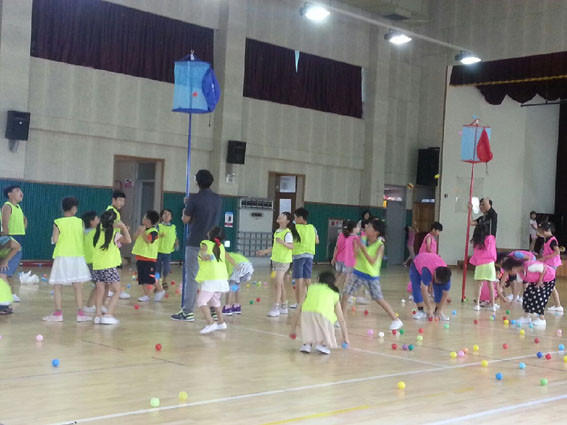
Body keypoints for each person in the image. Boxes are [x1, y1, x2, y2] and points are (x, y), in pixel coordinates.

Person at [171, 169, 222, 322]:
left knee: (192, 277)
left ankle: (187, 311)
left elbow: (185, 219)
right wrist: (190, 204)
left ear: (197, 182)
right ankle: (214, 310)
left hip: (195, 242)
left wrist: (186, 208)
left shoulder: (194, 198)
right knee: (211, 277)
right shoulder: (218, 199)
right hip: (213, 243)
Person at [341, 219, 403, 331]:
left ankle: (396, 320)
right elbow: (355, 255)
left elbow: (372, 262)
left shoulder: (380, 246)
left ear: (376, 232)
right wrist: (356, 246)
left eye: (369, 227)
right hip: (358, 272)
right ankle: (341, 320)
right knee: (345, 294)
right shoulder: (363, 239)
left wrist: (363, 248)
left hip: (371, 276)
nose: (366, 228)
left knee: (379, 299)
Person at [43, 197, 93, 322]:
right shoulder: (80, 222)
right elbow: (83, 237)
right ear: (74, 208)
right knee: (77, 286)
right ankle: (80, 314)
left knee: (57, 285)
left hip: (62, 256)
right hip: (77, 256)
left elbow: (55, 240)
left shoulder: (58, 222)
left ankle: (58, 314)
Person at [290, 271, 349, 355]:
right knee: (325, 323)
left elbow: (298, 309)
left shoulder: (309, 288)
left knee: (309, 324)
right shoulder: (335, 294)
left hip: (307, 313)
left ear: (318, 280)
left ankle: (307, 344)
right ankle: (322, 344)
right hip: (324, 316)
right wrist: (345, 338)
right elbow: (341, 319)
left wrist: (293, 330)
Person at [92, 210, 131, 325]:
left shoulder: (99, 230)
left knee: (100, 291)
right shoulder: (115, 234)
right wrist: (123, 228)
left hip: (97, 265)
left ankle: (98, 316)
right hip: (108, 266)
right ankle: (108, 315)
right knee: (117, 290)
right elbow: (128, 240)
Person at [257, 212, 299, 317]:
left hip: (283, 261)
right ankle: (284, 306)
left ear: (287, 221)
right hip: (275, 260)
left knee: (278, 283)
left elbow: (291, 246)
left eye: (283, 216)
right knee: (279, 284)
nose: (280, 216)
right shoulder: (277, 231)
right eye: (280, 215)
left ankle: (276, 307)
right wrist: (265, 251)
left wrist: (282, 242)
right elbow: (275, 247)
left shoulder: (287, 233)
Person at [196, 227, 236, 334]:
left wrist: (205, 256)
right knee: (215, 301)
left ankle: (210, 323)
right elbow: (229, 258)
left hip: (211, 278)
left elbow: (203, 252)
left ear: (210, 234)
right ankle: (221, 323)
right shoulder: (221, 246)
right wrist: (238, 267)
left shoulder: (205, 243)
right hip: (222, 278)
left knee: (201, 301)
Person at [501, 256, 556, 327]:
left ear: (513, 268)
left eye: (509, 272)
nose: (510, 274)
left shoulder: (529, 266)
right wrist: (514, 299)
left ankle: (542, 319)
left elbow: (544, 268)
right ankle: (525, 318)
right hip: (535, 280)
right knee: (527, 295)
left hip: (547, 279)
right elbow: (518, 286)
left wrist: (540, 280)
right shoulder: (519, 273)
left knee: (538, 298)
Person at [1, 185, 27, 302]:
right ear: (9, 194)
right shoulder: (7, 206)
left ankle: (11, 294)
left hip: (19, 240)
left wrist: (23, 227)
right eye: (17, 191)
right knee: (4, 271)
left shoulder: (18, 208)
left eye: (21, 191)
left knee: (9, 271)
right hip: (10, 240)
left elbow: (24, 220)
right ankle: (6, 297)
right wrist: (7, 241)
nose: (21, 192)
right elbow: (5, 225)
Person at [132, 210, 165, 302]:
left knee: (150, 277)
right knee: (142, 278)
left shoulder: (154, 232)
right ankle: (146, 295)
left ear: (148, 220)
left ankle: (160, 290)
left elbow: (148, 241)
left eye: (144, 217)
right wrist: (138, 232)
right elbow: (134, 238)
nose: (143, 218)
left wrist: (142, 232)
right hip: (140, 257)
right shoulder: (142, 229)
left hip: (149, 259)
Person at [409, 253, 452, 321]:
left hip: (432, 262)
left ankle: (437, 311)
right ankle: (420, 310)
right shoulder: (427, 272)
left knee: (439, 287)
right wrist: (429, 308)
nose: (438, 283)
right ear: (434, 273)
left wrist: (440, 310)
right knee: (416, 285)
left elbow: (445, 294)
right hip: (418, 261)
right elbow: (423, 290)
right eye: (438, 280)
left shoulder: (446, 277)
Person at [290, 207, 319, 308]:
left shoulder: (295, 228)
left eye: (295, 218)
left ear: (301, 218)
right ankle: (312, 300)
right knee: (307, 280)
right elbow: (317, 241)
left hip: (299, 256)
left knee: (299, 280)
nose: (294, 220)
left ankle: (298, 303)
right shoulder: (312, 228)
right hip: (310, 256)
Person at [106, 190, 130, 299]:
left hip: (114, 244)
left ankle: (112, 290)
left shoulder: (114, 212)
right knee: (114, 268)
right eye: (120, 200)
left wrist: (123, 228)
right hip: (111, 245)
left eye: (123, 201)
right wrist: (122, 228)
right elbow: (110, 225)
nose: (122, 203)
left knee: (113, 268)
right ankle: (116, 290)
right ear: (113, 200)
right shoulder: (111, 211)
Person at [470, 224, 498, 312]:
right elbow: (493, 251)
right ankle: (493, 305)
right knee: (491, 285)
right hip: (489, 264)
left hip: (480, 264)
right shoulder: (490, 238)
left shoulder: (476, 241)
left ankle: (477, 304)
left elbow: (475, 254)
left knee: (479, 285)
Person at [539, 222, 563, 314]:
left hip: (552, 264)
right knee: (550, 285)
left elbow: (557, 252)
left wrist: (545, 257)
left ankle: (558, 305)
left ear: (548, 230)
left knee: (551, 285)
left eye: (543, 231)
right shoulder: (547, 239)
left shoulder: (552, 240)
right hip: (548, 263)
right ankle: (557, 305)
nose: (542, 233)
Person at [81, 211, 101, 313]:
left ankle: (91, 305)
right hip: (94, 262)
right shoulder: (96, 232)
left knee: (99, 284)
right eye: (97, 218)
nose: (99, 220)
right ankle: (89, 305)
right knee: (99, 284)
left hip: (86, 261)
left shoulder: (83, 233)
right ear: (91, 222)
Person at [222, 251, 254, 316]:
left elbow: (228, 268)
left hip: (239, 266)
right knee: (236, 286)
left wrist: (236, 267)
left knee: (230, 287)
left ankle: (227, 308)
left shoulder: (223, 256)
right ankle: (237, 307)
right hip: (248, 267)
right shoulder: (232, 254)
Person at [331, 220, 359, 290]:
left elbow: (337, 247)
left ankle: (332, 287)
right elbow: (356, 250)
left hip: (339, 258)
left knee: (339, 274)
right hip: (348, 260)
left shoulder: (341, 235)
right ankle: (342, 290)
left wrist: (334, 258)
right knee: (346, 277)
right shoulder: (353, 237)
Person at [156, 209, 179, 290]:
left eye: (168, 214)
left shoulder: (173, 227)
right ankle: (157, 283)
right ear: (161, 217)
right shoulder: (158, 226)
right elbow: (153, 237)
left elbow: (175, 237)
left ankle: (164, 280)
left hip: (168, 252)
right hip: (158, 252)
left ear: (171, 217)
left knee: (167, 268)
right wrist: (159, 236)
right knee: (157, 269)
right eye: (165, 214)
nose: (166, 215)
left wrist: (177, 244)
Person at [0, 235, 21, 315]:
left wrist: (6, 261)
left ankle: (5, 305)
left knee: (2, 275)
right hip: (3, 254)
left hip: (14, 253)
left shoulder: (3, 239)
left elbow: (17, 247)